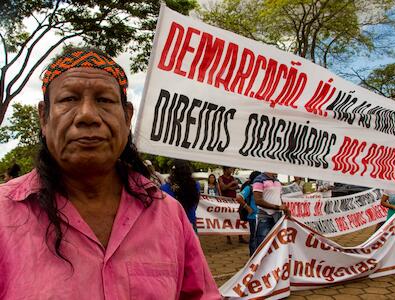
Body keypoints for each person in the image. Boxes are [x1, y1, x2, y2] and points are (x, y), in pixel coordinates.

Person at [0, 47, 220, 299]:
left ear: (127, 117)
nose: (87, 115)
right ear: (44, 117)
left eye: (104, 100)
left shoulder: (169, 215)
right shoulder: (3, 213)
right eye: (69, 99)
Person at [253, 172, 291, 249]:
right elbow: (258, 200)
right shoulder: (259, 179)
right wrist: (277, 207)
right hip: (265, 216)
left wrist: (285, 209)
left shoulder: (277, 180)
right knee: (263, 244)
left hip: (277, 216)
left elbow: (278, 197)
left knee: (275, 243)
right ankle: (259, 261)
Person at [161, 159, 201, 232]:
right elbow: (196, 203)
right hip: (190, 221)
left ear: (172, 172)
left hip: (173, 224)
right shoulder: (196, 185)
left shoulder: (164, 188)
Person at [235, 171, 261, 256]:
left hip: (262, 216)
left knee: (260, 237)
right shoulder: (249, 188)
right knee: (253, 237)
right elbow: (238, 197)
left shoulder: (261, 187)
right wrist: (247, 207)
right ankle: (253, 257)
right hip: (253, 217)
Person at [218, 166, 246, 244]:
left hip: (234, 201)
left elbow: (237, 187)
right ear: (225, 169)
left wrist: (229, 187)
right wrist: (232, 184)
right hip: (226, 201)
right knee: (227, 219)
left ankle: (240, 236)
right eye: (230, 169)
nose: (231, 170)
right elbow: (223, 188)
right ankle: (228, 238)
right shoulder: (221, 178)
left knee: (238, 218)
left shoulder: (232, 177)